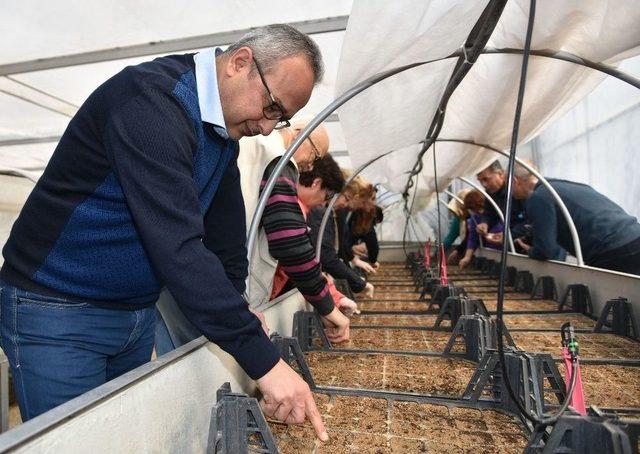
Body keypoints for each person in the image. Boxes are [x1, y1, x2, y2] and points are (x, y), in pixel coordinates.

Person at [0, 24, 329, 439]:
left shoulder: (223, 129)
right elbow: (179, 247)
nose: (268, 128)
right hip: (57, 307)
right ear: (240, 62)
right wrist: (265, 364)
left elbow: (224, 238)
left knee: (125, 438)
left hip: (134, 312)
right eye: (270, 107)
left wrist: (240, 307)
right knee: (76, 442)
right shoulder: (152, 102)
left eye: (280, 118)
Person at [239, 121, 353, 336]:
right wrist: (327, 306)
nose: (310, 166)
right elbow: (290, 243)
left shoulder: (251, 146)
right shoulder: (278, 159)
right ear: (301, 134)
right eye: (315, 155)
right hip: (237, 284)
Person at [267, 155, 359, 319]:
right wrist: (331, 305)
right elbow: (298, 259)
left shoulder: (297, 206)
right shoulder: (294, 208)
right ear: (316, 183)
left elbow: (305, 260)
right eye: (327, 195)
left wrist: (336, 297)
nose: (324, 203)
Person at [511, 164, 640, 275]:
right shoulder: (565, 185)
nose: (509, 192)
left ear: (515, 181)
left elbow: (546, 250)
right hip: (634, 234)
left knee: (615, 299)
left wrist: (531, 251)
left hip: (612, 249)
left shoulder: (538, 197)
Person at [308, 174, 375, 298]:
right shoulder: (320, 212)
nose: (345, 204)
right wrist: (357, 281)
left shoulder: (328, 211)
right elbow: (327, 256)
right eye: (347, 198)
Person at [476, 160, 530, 250]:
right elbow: (489, 214)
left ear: (501, 174)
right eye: (480, 181)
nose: (483, 185)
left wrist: (509, 234)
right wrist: (485, 223)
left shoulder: (518, 190)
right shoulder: (490, 194)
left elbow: (530, 221)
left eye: (486, 179)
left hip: (527, 242)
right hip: (511, 242)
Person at [458, 190, 504, 268]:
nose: (478, 211)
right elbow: (472, 238)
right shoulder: (475, 218)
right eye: (474, 209)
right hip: (489, 254)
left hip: (502, 253)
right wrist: (467, 257)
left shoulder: (497, 214)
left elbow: (508, 233)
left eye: (478, 208)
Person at [442, 189, 471, 264]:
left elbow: (471, 237)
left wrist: (458, 250)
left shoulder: (474, 218)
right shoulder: (458, 220)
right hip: (468, 251)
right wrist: (438, 252)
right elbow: (450, 237)